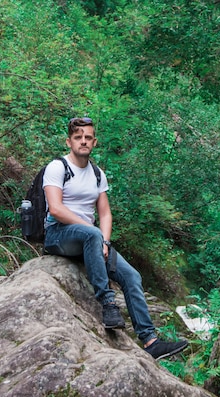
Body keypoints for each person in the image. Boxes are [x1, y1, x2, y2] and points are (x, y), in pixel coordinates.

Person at [42, 117, 188, 360]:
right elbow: (56, 208)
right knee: (91, 232)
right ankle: (108, 304)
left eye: (88, 137)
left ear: (95, 142)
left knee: (131, 276)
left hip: (89, 238)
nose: (83, 141)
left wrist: (105, 241)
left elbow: (105, 212)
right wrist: (96, 235)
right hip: (58, 233)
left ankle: (150, 341)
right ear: (69, 141)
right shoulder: (58, 167)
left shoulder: (97, 174)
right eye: (78, 137)